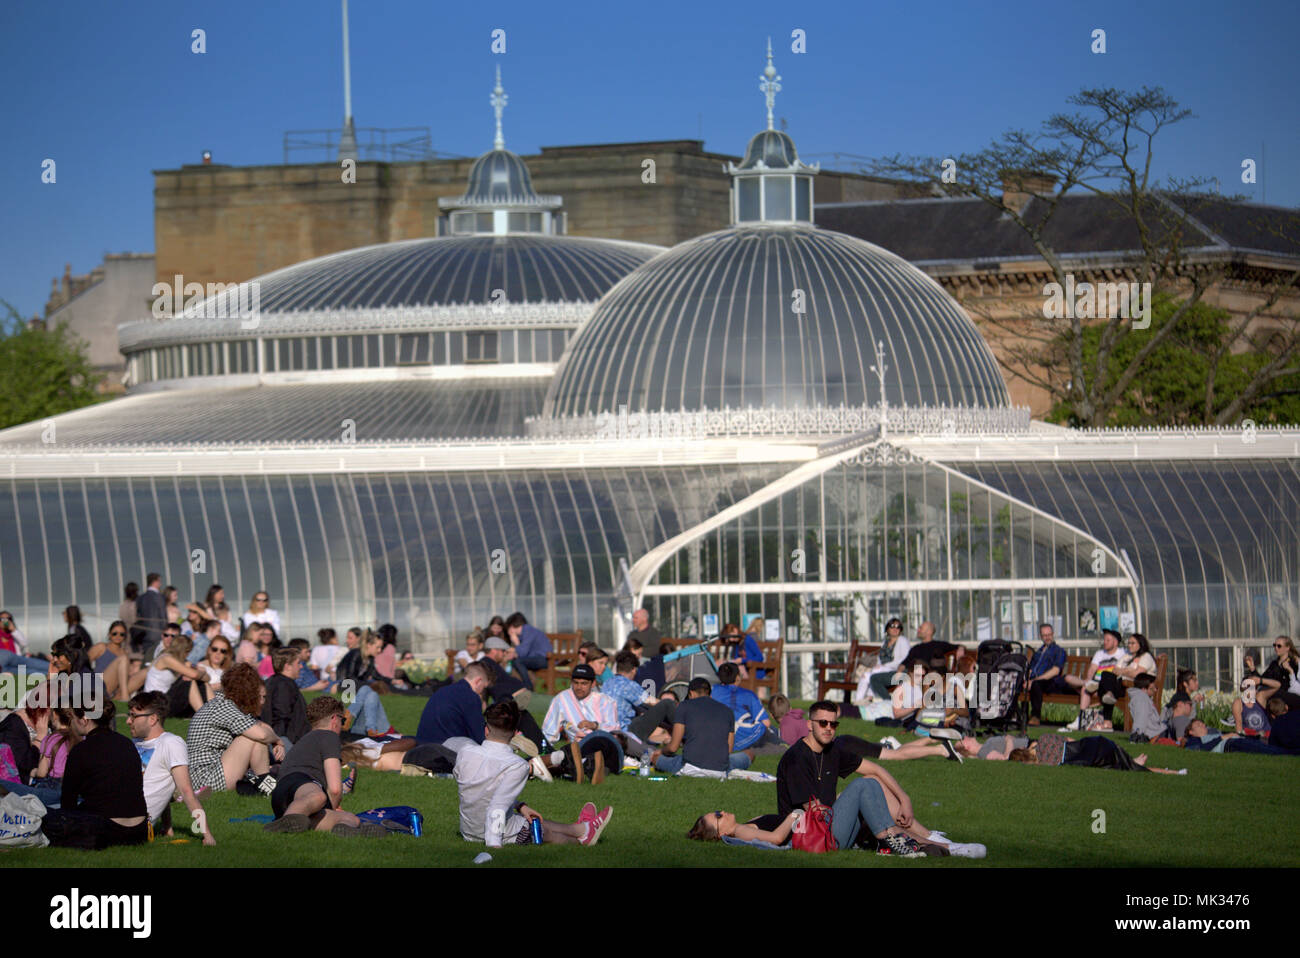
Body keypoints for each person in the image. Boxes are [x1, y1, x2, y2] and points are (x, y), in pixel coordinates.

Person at [748, 700, 985, 857]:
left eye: (833, 723)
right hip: (812, 837)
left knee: (873, 782)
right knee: (864, 786)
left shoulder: (832, 750)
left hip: (829, 828)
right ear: (810, 725)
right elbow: (811, 811)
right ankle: (897, 841)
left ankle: (930, 842)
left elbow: (876, 769)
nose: (829, 728)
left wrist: (904, 799)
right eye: (823, 723)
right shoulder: (796, 758)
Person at [455, 699, 611, 847]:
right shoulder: (517, 765)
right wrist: (493, 844)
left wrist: (520, 805)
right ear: (516, 732)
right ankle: (582, 839)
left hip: (469, 832)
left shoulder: (465, 752)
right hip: (497, 834)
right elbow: (498, 806)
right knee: (545, 832)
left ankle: (581, 829)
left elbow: (480, 788)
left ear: (486, 729)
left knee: (533, 819)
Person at [264, 695, 385, 836]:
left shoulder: (304, 740)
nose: (342, 726)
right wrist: (331, 807)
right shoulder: (329, 736)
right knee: (318, 797)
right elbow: (334, 789)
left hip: (281, 799)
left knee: (350, 818)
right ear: (334, 719)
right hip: (300, 783)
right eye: (343, 720)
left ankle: (347, 829)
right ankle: (288, 819)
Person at [41, 700, 150, 849]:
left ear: (84, 720)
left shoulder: (81, 750)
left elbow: (68, 801)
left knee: (43, 814)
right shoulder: (126, 743)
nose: (71, 723)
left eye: (73, 718)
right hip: (139, 829)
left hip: (105, 829)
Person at [127, 691, 215, 845]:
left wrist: (207, 835)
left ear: (153, 719)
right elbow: (158, 784)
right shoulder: (135, 743)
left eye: (134, 716)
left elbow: (187, 792)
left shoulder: (171, 743)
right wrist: (167, 826)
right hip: (118, 811)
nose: (128, 721)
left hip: (133, 824)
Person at [185, 662, 285, 794]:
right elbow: (261, 734)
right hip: (206, 779)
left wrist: (273, 740)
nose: (261, 700)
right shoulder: (224, 707)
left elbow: (260, 726)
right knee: (250, 738)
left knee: (253, 733)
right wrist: (278, 740)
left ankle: (266, 785)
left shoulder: (223, 704)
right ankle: (267, 786)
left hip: (210, 772)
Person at [540, 663, 622, 782]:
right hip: (579, 748)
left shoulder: (605, 701)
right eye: (576, 683)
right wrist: (545, 751)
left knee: (598, 739)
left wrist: (594, 725)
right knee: (574, 751)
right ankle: (590, 768)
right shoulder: (561, 699)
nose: (579, 687)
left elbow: (614, 729)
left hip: (606, 744)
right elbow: (549, 732)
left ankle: (585, 766)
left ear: (593, 683)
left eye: (584, 683)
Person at [653, 677, 750, 776]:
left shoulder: (684, 706)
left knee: (656, 758)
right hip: (720, 769)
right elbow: (728, 750)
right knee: (749, 754)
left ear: (691, 693)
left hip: (689, 766)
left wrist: (661, 751)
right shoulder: (728, 711)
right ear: (709, 694)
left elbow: (673, 748)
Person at [603, 650, 675, 756]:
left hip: (607, 729)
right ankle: (686, 732)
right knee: (667, 704)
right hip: (625, 731)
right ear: (634, 670)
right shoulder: (629, 685)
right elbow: (653, 702)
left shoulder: (607, 683)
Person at [1007, 733, 1183, 773]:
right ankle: (1133, 760)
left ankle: (1174, 772)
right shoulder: (1045, 739)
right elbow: (1069, 740)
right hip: (1096, 743)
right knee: (1129, 765)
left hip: (1094, 758)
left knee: (1132, 770)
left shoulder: (1045, 765)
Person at [711, 662, 783, 754]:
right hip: (741, 735)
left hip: (718, 734)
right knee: (768, 729)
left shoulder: (713, 690)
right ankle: (786, 741)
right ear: (737, 677)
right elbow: (766, 723)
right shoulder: (748, 694)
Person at [415, 660, 491, 747]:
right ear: (478, 681)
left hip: (422, 745)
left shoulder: (443, 690)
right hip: (443, 751)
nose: (483, 692)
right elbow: (480, 737)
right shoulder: (470, 696)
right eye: (484, 688)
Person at [1062, 629, 1125, 730]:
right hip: (1096, 684)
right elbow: (1092, 669)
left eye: (1108, 640)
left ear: (1116, 642)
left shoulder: (1122, 653)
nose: (1105, 642)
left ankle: (1081, 719)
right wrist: (1088, 680)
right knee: (1070, 679)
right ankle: (1082, 717)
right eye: (1104, 640)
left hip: (1110, 686)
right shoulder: (1100, 653)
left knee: (1084, 689)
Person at [262, 647, 311, 746]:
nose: (301, 667)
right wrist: (281, 744)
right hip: (287, 743)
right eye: (298, 663)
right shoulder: (284, 685)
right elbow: (280, 717)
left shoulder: (272, 682)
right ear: (287, 666)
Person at [1025, 622, 1069, 726]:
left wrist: (1034, 681)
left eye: (1049, 635)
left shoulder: (1059, 651)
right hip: (1034, 681)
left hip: (1051, 682)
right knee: (1015, 682)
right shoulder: (1038, 652)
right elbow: (1030, 669)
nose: (1047, 637)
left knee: (1037, 684)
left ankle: (1035, 716)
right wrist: (1026, 680)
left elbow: (1055, 671)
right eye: (1044, 635)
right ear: (1041, 636)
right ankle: (1013, 715)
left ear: (1053, 634)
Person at [857, 617, 911, 702]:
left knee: (875, 671)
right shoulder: (885, 642)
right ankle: (858, 701)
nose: (895, 628)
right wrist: (880, 665)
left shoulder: (903, 640)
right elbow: (880, 658)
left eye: (898, 626)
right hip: (882, 669)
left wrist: (884, 666)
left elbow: (905, 659)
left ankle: (870, 696)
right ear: (887, 629)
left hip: (896, 670)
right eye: (892, 626)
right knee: (865, 676)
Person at [505, 611, 552, 691]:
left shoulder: (528, 631)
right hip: (537, 658)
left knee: (518, 662)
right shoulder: (525, 632)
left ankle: (528, 686)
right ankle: (517, 687)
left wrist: (516, 642)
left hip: (545, 659)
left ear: (512, 626)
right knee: (515, 662)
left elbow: (522, 653)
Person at [89, 620, 133, 697]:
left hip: (113, 688)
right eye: (114, 633)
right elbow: (83, 663)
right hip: (97, 684)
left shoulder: (124, 654)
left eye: (121, 634)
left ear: (125, 637)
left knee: (142, 672)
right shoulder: (101, 647)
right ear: (109, 634)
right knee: (123, 659)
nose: (118, 636)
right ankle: (125, 698)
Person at [134, 572, 168, 660]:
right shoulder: (159, 597)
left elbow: (138, 616)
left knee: (147, 660)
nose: (160, 584)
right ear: (156, 582)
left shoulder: (141, 598)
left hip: (144, 635)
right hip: (158, 634)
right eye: (160, 581)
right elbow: (163, 617)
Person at [1260, 636, 1300, 709]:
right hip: (1276, 694)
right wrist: (1252, 669)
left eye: (1279, 646)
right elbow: (1262, 679)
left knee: (1273, 693)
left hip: (1291, 694)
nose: (1276, 648)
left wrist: (1288, 669)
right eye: (1274, 645)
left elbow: (1293, 683)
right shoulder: (1274, 664)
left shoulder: (1294, 662)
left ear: (1287, 648)